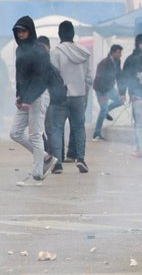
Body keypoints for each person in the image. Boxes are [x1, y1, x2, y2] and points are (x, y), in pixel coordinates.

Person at [10, 16, 58, 186]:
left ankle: (37, 174)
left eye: (23, 30)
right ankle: (45, 157)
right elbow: (20, 76)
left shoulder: (39, 51)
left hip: (39, 95)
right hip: (26, 97)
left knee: (35, 134)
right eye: (18, 31)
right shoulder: (19, 50)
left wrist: (28, 99)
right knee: (15, 133)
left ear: (30, 31)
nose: (20, 34)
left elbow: (41, 78)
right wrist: (19, 96)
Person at [49, 21, 92, 174]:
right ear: (73, 34)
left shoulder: (55, 52)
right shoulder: (84, 53)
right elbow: (89, 78)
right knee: (79, 127)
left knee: (56, 128)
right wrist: (84, 93)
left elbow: (53, 76)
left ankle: (58, 164)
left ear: (59, 34)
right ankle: (80, 158)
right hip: (79, 96)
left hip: (60, 97)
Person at [119, 34, 142, 152]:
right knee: (139, 121)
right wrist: (122, 92)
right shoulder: (131, 59)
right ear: (138, 44)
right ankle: (140, 145)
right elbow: (124, 77)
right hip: (136, 94)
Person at [93, 44, 124, 141]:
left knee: (120, 101)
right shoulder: (104, 63)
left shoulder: (117, 61)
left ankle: (107, 111)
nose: (120, 55)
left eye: (121, 52)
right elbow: (99, 79)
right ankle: (96, 133)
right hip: (101, 88)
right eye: (118, 52)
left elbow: (119, 77)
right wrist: (103, 95)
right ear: (113, 52)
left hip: (110, 87)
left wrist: (121, 92)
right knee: (103, 110)